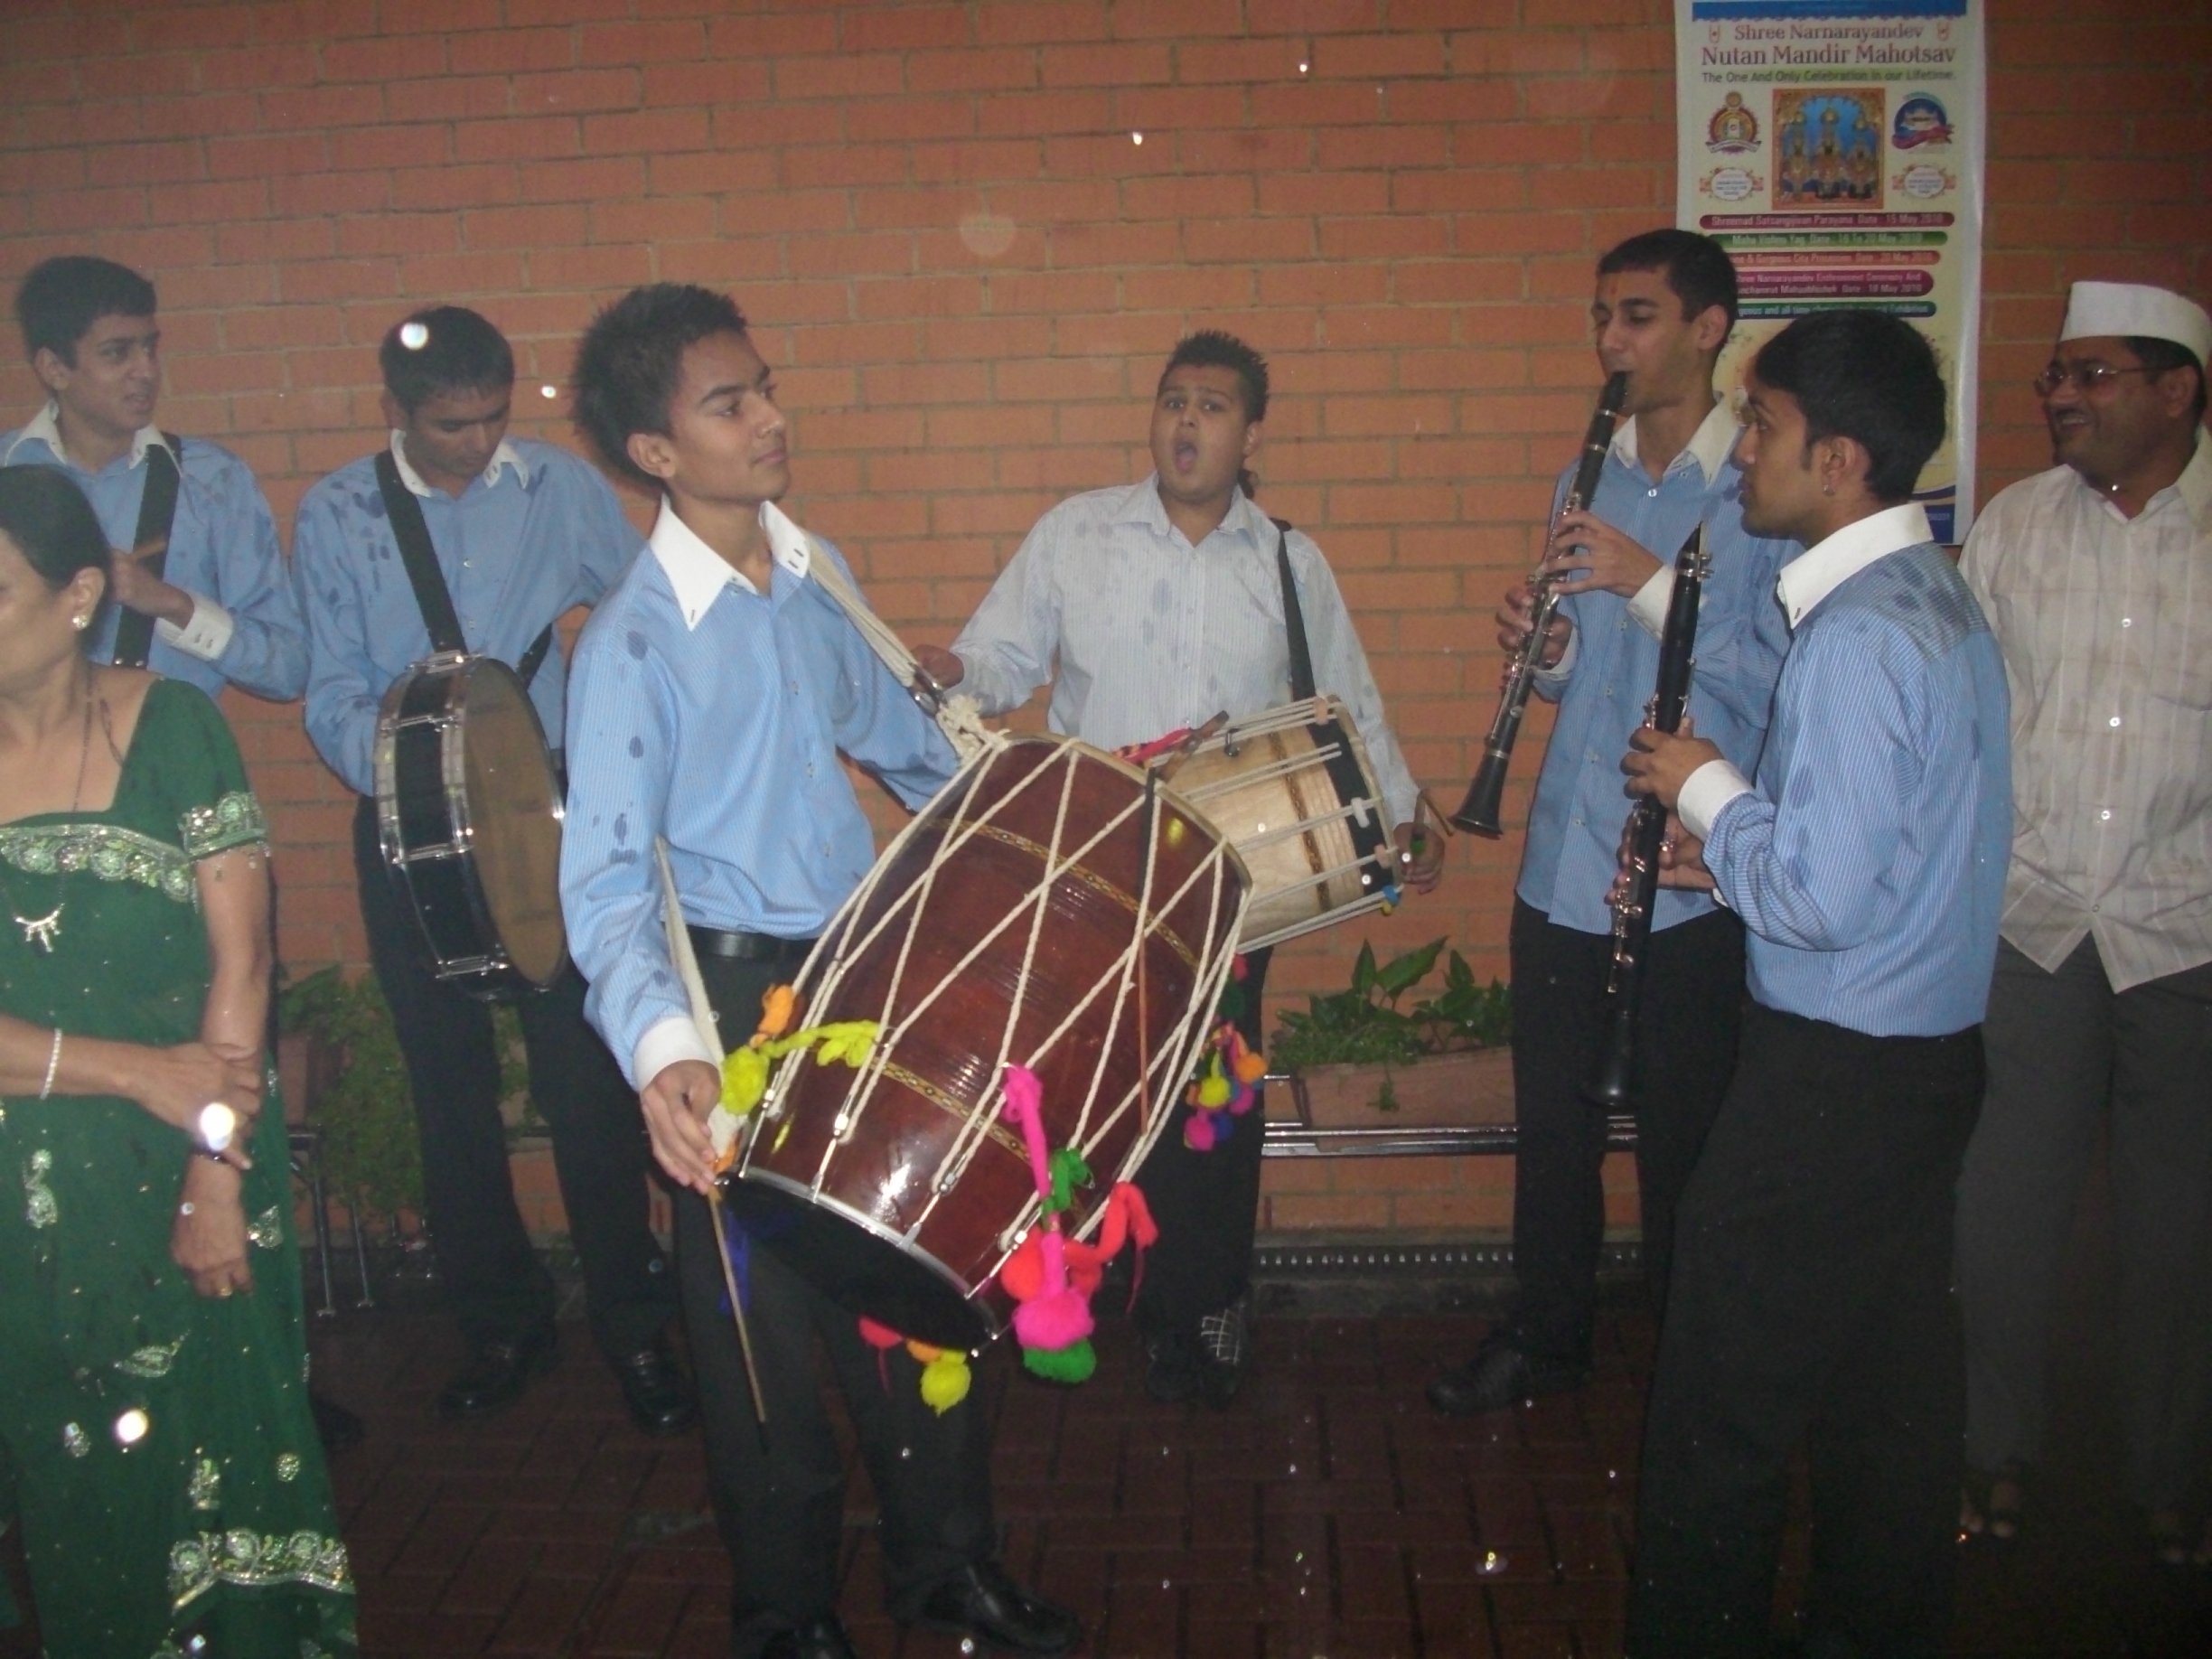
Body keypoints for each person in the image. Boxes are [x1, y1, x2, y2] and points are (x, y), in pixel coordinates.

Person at [561, 282, 1083, 1659]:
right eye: (729, 403)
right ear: (656, 452)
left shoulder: (813, 579)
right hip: (730, 1011)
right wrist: (666, 1049)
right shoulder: (628, 645)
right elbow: (604, 886)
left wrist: (1014, 809)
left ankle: (947, 1572)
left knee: (924, 1294)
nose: (771, 417)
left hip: (862, 984)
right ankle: (786, 1614)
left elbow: (905, 747)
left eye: (765, 386)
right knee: (759, 1346)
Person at [914, 329, 1440, 1408]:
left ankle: (1203, 1305)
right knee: (1081, 1095)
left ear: (1252, 433)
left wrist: (1400, 811)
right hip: (1092, 870)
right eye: (1172, 401)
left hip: (1234, 883)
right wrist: (954, 668)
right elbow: (1003, 659)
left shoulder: (1289, 562)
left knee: (1211, 1107)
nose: (1187, 422)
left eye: (1211, 406)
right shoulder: (1078, 535)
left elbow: (1348, 700)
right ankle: (1077, 1298)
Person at [1617, 310, 2010, 1656]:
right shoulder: (1939, 600)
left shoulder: (1852, 638)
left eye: (1765, 429)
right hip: (1923, 1066)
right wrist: (1725, 861)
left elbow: (1824, 903)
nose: (1742, 460)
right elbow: (1892, 861)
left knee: (1719, 1410)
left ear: (1839, 458)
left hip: (1828, 1092)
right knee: (1887, 1396)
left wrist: (1705, 784)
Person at [293, 306, 687, 1433]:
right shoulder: (339, 511)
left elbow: (640, 617)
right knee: (447, 1089)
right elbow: (328, 690)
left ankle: (631, 1323)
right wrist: (413, 777)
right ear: (397, 413)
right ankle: (500, 1322)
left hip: (551, 815)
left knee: (587, 1085)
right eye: (450, 424)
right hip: (409, 826)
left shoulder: (558, 489)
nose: (476, 442)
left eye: (493, 418)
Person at [1429, 230, 1793, 1419]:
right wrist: (1547, 646)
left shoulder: (1758, 492)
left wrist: (1646, 581)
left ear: (1707, 328)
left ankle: (1693, 1362)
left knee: (1688, 1138)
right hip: (1566, 861)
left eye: (1637, 317)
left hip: (1688, 869)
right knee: (1556, 1131)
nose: (1611, 342)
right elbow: (1586, 678)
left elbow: (1766, 680)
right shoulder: (1583, 475)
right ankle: (1548, 1338)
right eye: (1602, 318)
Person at [0, 466, 354, 1656]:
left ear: (77, 596)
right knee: (67, 1489)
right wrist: (140, 1072)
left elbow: (241, 966)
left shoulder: (176, 728)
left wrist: (213, 1164)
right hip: (25, 1205)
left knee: (220, 1479)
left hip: (189, 1174)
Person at [1953, 280, 2212, 1565]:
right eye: (2058, 372)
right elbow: (1973, 721)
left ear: (2178, 391)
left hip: (2193, 934)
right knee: (2004, 1208)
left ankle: (2171, 1475)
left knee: (2181, 1226)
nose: (2061, 395)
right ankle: (1995, 1449)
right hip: (2038, 921)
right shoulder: (2014, 527)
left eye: (2095, 375)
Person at [4, 256, 306, 703]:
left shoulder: (213, 481)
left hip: (167, 761)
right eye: (116, 352)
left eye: (150, 347)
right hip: (23, 763)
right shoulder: (7, 472)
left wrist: (174, 605)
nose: (146, 370)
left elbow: (288, 670)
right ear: (54, 369)